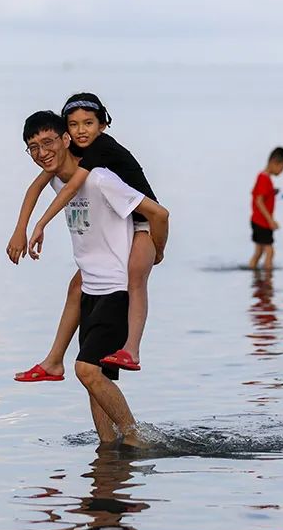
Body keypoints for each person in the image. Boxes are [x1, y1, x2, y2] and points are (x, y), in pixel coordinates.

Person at [21, 110, 169, 446]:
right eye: (33, 147)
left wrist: (157, 251)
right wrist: (23, 229)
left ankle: (136, 441)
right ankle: (108, 456)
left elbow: (159, 213)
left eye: (48, 143)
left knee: (86, 370)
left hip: (117, 289)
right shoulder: (58, 179)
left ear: (66, 140)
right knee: (94, 379)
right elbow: (37, 189)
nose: (42, 152)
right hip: (91, 287)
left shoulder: (101, 179)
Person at [9, 93, 160, 380]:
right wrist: (20, 229)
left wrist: (40, 224)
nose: (81, 131)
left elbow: (71, 190)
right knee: (76, 286)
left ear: (102, 125)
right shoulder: (71, 156)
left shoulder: (97, 152)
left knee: (135, 278)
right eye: (74, 124)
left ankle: (132, 349)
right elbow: (35, 187)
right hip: (127, 221)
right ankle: (53, 361)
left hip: (144, 223)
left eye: (88, 123)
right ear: (67, 130)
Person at [248, 147, 283, 270]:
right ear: (274, 163)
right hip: (262, 222)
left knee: (259, 252)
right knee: (270, 252)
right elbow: (259, 201)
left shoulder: (263, 177)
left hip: (258, 221)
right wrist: (270, 220)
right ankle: (268, 281)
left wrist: (272, 192)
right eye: (282, 168)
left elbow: (259, 195)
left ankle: (254, 272)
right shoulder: (264, 179)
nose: (282, 171)